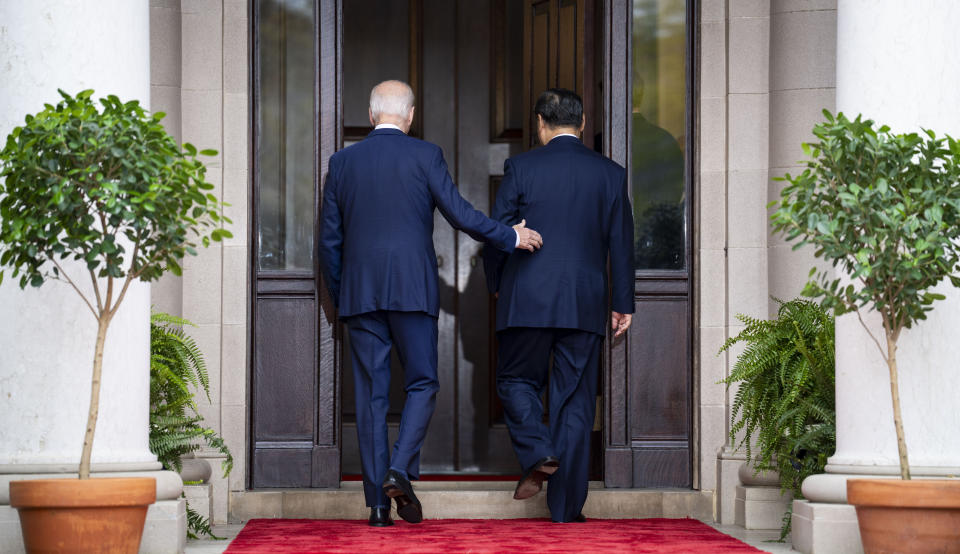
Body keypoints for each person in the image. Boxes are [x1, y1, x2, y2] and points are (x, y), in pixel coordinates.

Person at [319, 80, 543, 527]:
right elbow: (460, 214)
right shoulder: (425, 156)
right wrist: (510, 235)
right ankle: (399, 469)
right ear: (411, 115)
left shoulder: (342, 163)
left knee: (370, 398)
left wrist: (345, 296)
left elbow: (329, 241)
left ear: (370, 113)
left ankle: (379, 508)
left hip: (361, 298)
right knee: (422, 384)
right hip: (413, 292)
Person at [483, 88, 634, 523]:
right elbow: (620, 244)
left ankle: (536, 448)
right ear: (582, 124)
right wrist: (622, 301)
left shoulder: (522, 167)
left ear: (540, 124)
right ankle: (566, 509)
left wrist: (497, 284)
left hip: (527, 298)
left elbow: (497, 233)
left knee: (515, 381)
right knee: (575, 403)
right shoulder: (610, 174)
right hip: (585, 303)